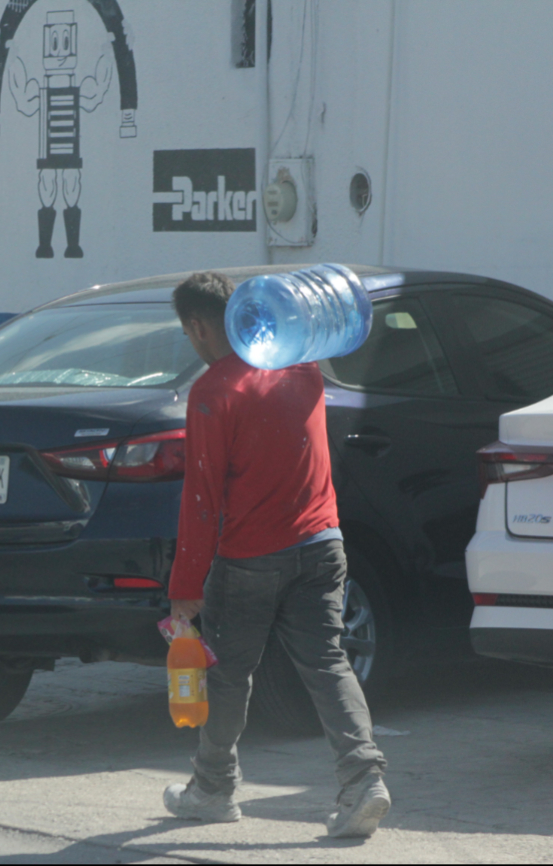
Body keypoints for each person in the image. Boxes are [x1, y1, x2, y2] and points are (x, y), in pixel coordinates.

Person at [161, 271, 391, 838]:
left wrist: (185, 585)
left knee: (229, 676)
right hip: (322, 545)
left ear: (196, 326)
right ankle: (365, 782)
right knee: (328, 662)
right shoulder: (303, 368)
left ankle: (213, 790)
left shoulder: (214, 391)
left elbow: (202, 496)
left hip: (250, 559)